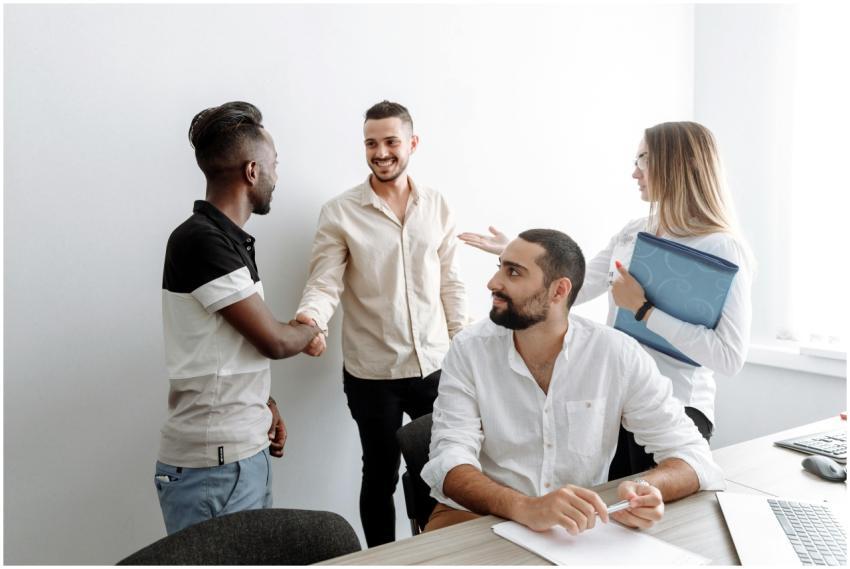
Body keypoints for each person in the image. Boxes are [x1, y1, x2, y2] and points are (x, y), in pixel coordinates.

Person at [458, 121, 752, 480]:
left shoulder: (720, 247)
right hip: (619, 400)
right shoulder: (634, 231)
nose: (634, 172)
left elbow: (729, 357)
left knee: (656, 516)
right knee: (611, 513)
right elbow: (575, 286)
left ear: (677, 163)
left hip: (677, 406)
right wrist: (521, 260)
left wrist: (645, 311)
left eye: (643, 159)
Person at [420, 229, 725, 533]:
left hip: (572, 526)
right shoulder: (469, 348)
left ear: (558, 291)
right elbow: (449, 458)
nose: (493, 283)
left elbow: (692, 454)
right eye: (499, 267)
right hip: (476, 516)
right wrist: (524, 507)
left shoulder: (616, 354)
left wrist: (648, 489)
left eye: (513, 272)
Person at [295, 100, 468, 547]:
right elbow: (325, 282)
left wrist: (465, 348)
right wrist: (310, 320)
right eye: (371, 143)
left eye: (391, 141)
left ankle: (438, 552)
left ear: (412, 143)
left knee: (444, 471)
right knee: (380, 474)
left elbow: (451, 282)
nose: (381, 152)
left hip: (435, 367)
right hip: (373, 375)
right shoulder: (340, 212)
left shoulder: (438, 205)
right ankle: (381, 559)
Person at [157, 101, 321, 535]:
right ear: (252, 171)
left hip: (236, 456)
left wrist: (262, 404)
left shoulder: (223, 240)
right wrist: (311, 328)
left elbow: (221, 348)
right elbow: (274, 341)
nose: (277, 176)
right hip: (215, 468)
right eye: (275, 164)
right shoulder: (201, 241)